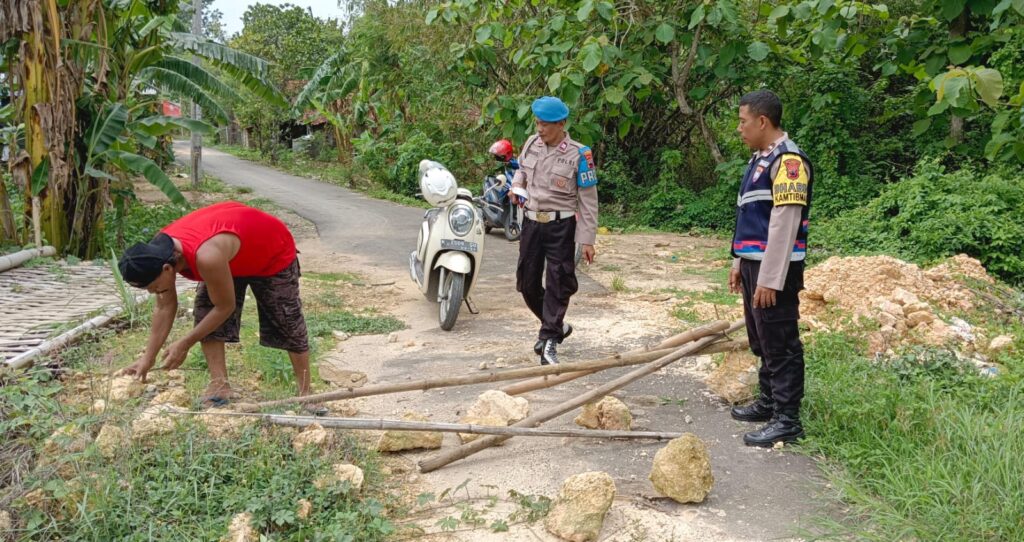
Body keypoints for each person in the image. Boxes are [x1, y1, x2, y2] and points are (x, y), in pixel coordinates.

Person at [116, 201, 322, 413]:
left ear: (167, 269)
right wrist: (147, 359)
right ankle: (220, 385)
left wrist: (185, 343)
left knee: (286, 318)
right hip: (231, 253)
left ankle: (307, 393)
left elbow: (225, 307)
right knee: (205, 309)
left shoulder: (206, 256)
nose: (153, 292)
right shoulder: (158, 253)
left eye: (153, 287)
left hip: (270, 251)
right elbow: (164, 307)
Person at [727, 90, 813, 447]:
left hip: (773, 269)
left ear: (763, 121)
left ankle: (787, 419)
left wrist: (771, 278)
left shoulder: (789, 162)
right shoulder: (760, 160)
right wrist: (739, 261)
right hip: (753, 264)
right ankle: (768, 402)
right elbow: (751, 214)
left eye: (743, 121)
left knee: (780, 341)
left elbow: (785, 223)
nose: (739, 128)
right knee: (761, 339)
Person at [510, 96, 599, 365]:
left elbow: (588, 200)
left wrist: (586, 239)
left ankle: (548, 340)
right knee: (527, 282)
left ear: (561, 124)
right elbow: (521, 172)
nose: (540, 129)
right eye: (537, 123)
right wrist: (516, 187)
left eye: (545, 124)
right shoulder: (531, 144)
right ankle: (556, 326)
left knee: (558, 283)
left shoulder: (579, 154)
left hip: (561, 225)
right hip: (532, 223)